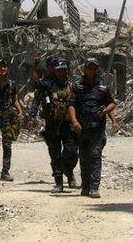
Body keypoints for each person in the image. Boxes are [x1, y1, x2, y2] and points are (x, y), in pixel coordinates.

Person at [68, 58, 116, 198]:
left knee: (95, 155)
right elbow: (71, 105)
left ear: (97, 69)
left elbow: (112, 103)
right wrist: (74, 121)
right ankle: (85, 186)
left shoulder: (103, 87)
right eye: (89, 68)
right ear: (85, 69)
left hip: (97, 128)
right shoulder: (77, 87)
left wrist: (106, 112)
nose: (92, 70)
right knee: (83, 157)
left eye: (94, 68)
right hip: (81, 128)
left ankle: (94, 187)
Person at [30, 55, 78, 192]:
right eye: (58, 70)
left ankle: (68, 170)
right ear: (54, 71)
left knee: (72, 152)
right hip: (52, 124)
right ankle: (59, 183)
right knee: (55, 153)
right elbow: (35, 83)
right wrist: (35, 66)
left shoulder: (73, 84)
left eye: (64, 70)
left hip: (68, 124)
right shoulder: (48, 84)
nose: (61, 73)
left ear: (67, 70)